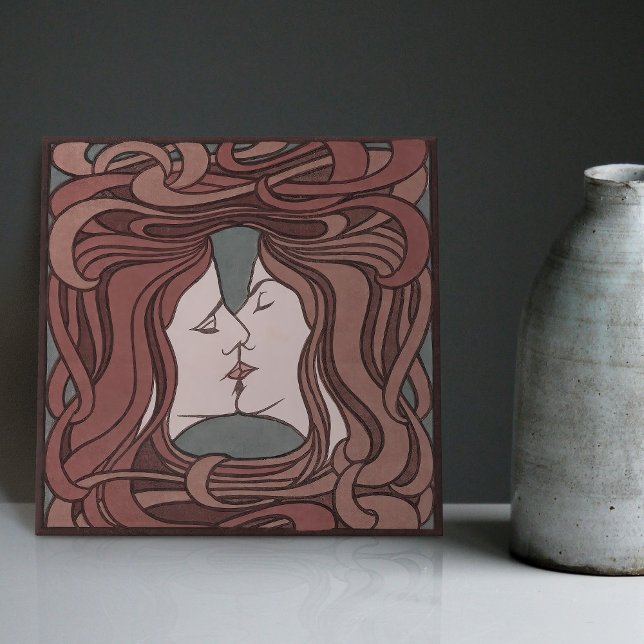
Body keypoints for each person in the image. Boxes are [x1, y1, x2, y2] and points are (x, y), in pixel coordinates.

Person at [44, 139, 435, 530]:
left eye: (264, 306)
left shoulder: (355, 461)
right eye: (208, 323)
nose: (240, 336)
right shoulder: (123, 478)